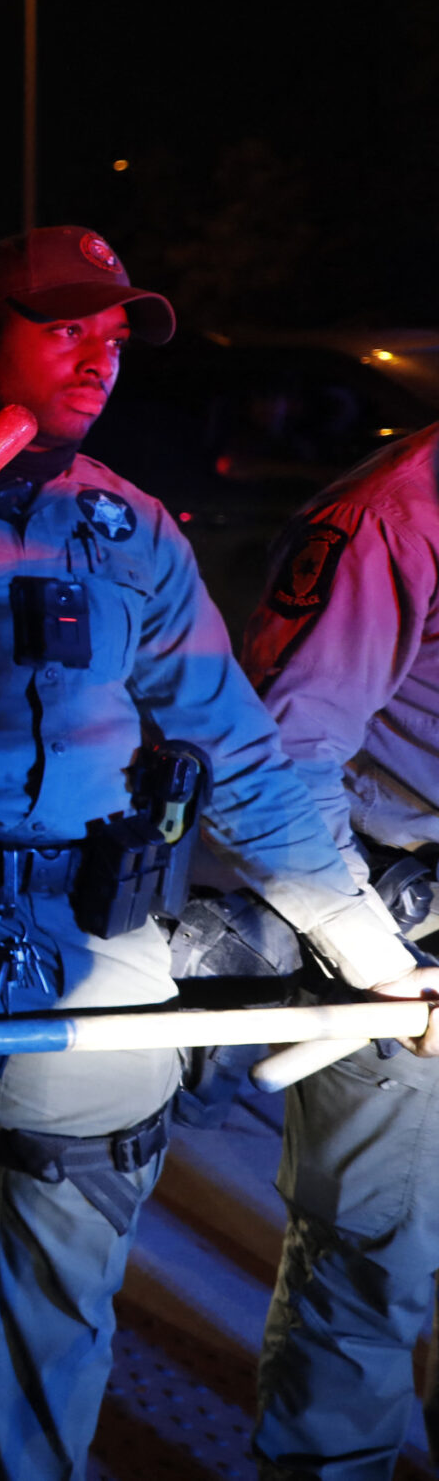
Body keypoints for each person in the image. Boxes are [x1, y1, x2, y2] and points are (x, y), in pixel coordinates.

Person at [0, 227, 439, 1481]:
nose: (98, 357)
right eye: (64, 326)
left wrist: (363, 949)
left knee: (67, 1304)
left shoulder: (131, 533)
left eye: (114, 334)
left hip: (97, 943)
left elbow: (245, 757)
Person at [241, 423, 439, 1478]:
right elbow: (279, 755)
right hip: (408, 950)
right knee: (370, 1277)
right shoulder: (391, 519)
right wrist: (373, 958)